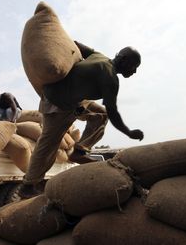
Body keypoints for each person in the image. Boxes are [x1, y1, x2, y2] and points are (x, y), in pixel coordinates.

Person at [18, 42, 144, 198]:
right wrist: (129, 132)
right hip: (58, 102)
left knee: (100, 115)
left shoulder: (99, 56)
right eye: (134, 66)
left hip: (75, 100)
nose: (135, 71)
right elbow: (113, 112)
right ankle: (28, 185)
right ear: (124, 60)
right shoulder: (110, 78)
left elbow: (75, 44)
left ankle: (79, 151)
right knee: (49, 144)